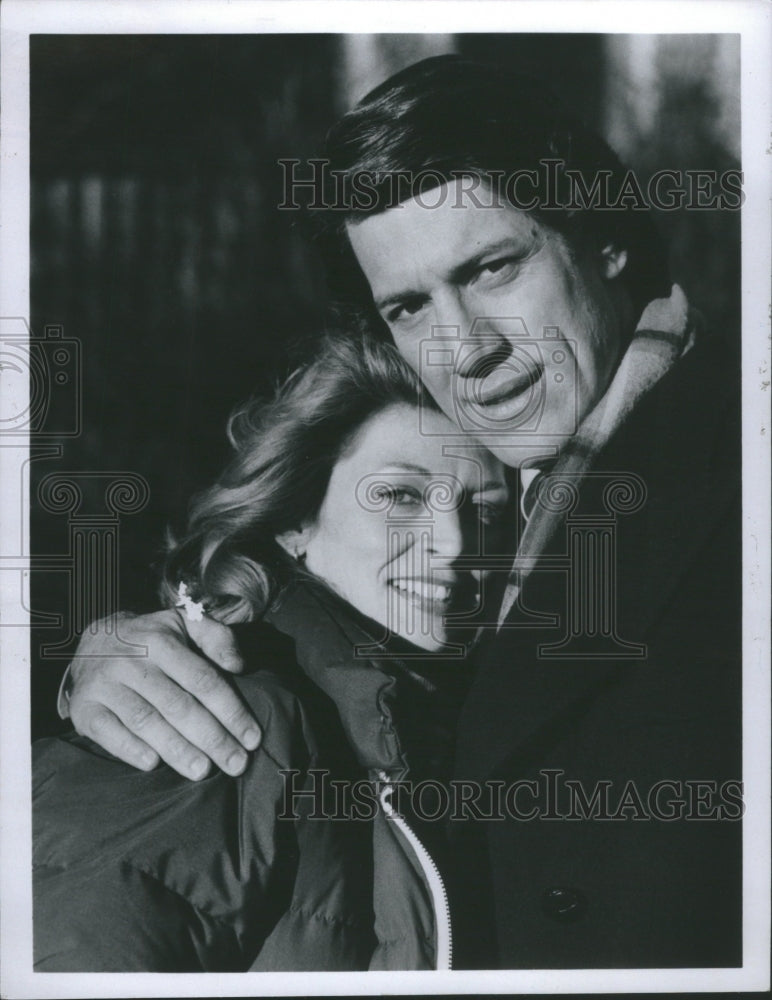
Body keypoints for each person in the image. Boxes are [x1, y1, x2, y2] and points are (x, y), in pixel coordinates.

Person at [54, 56, 742, 968]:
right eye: (411, 306)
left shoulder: (733, 464)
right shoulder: (500, 471)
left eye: (495, 268)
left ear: (605, 239)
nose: (468, 350)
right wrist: (107, 658)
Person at [33, 329, 510, 970]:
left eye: (485, 509)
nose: (454, 544)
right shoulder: (209, 715)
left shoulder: (451, 726)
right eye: (400, 495)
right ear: (295, 523)